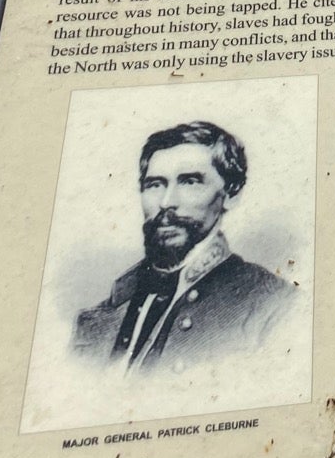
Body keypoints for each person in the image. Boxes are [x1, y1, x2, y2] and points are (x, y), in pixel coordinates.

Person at [73, 120, 293, 373]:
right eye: (155, 185)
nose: (166, 202)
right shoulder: (92, 322)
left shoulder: (274, 307)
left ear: (232, 194)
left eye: (190, 182)